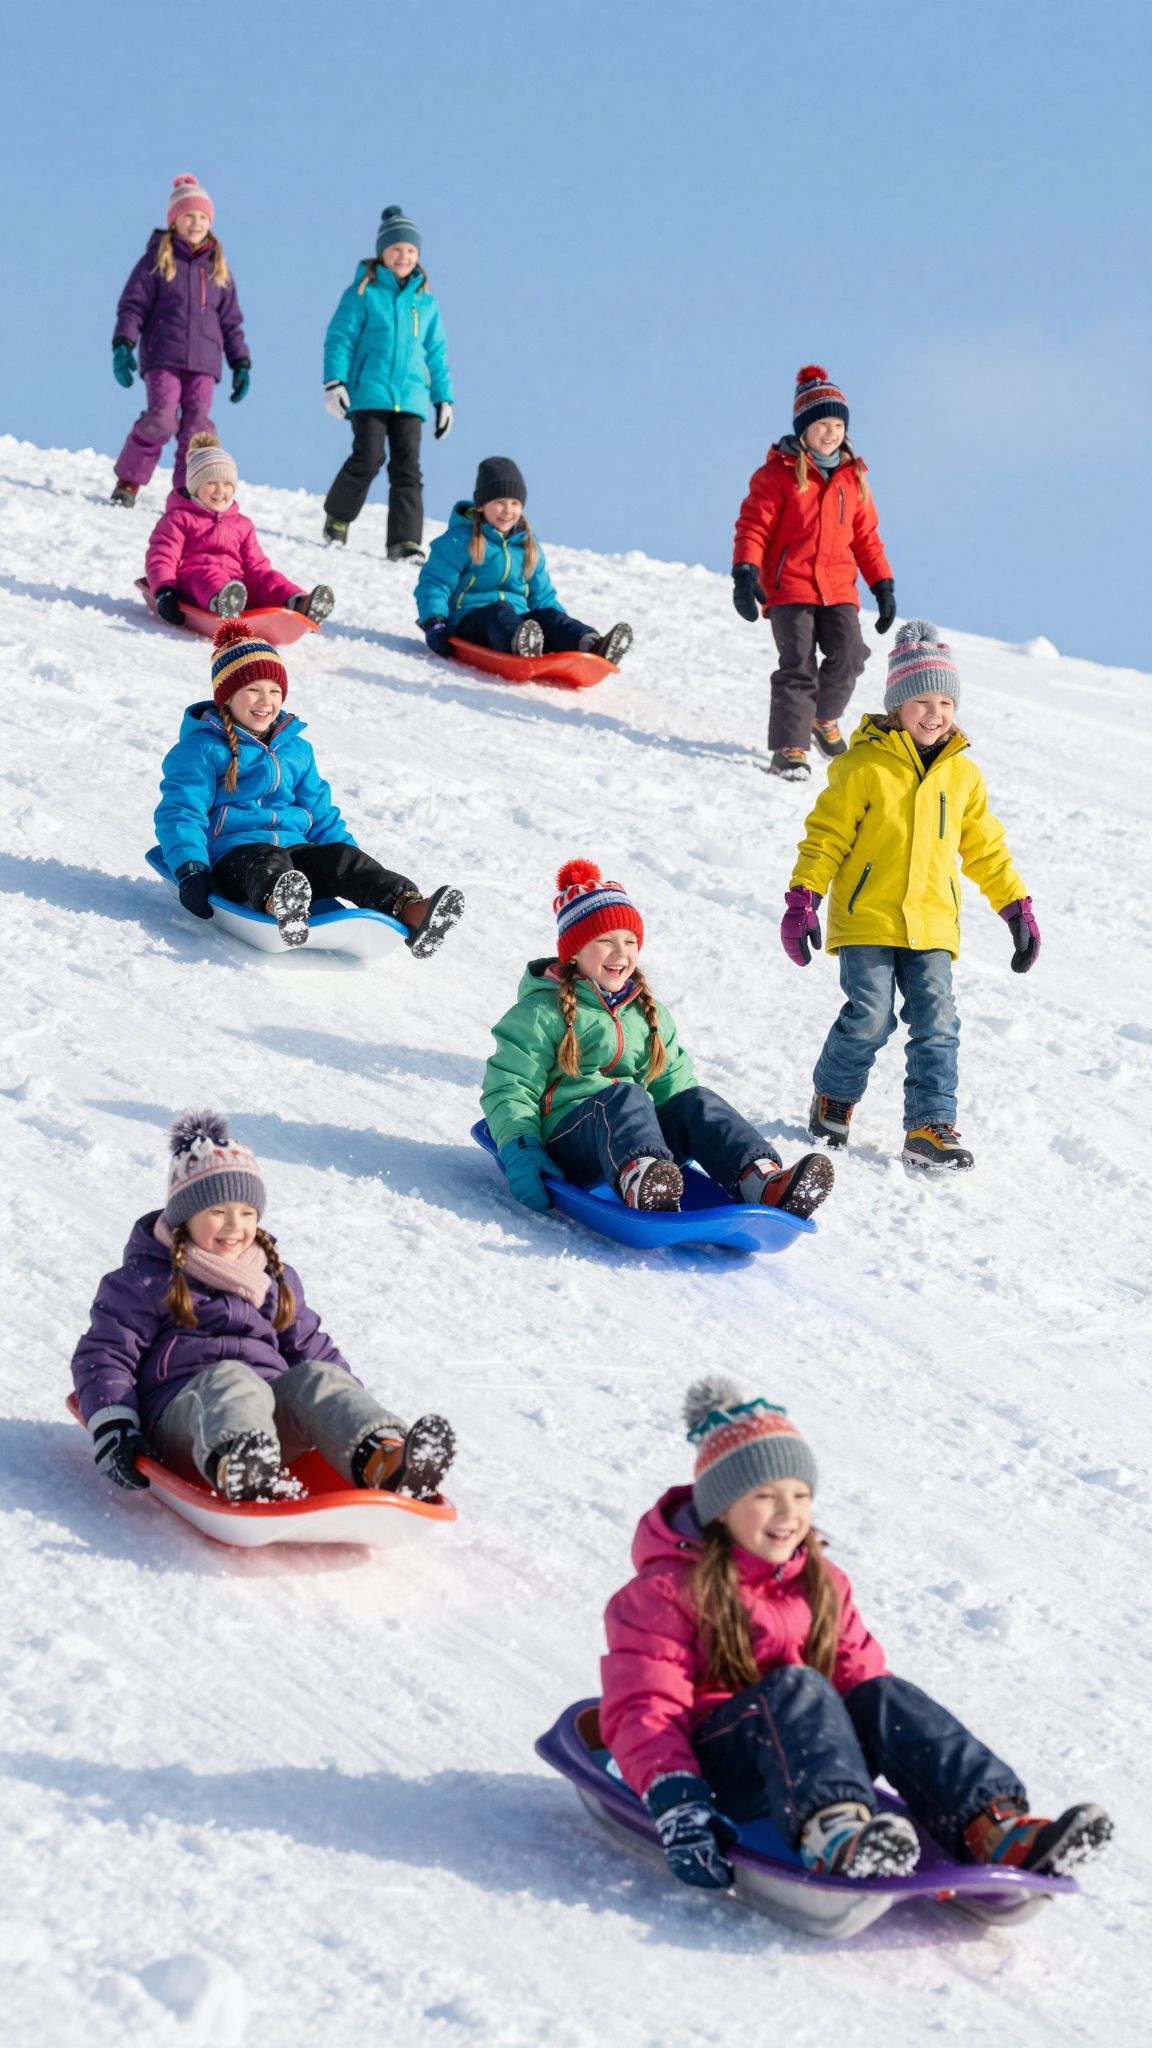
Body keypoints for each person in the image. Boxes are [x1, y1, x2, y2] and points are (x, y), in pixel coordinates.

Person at [600, 1377, 1113, 1889]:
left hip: (810, 1761)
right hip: (722, 1772)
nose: (788, 1514)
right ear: (721, 1508)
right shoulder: (664, 1592)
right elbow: (644, 1706)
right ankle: (836, 1836)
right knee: (798, 1686)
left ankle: (995, 1827)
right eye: (765, 1496)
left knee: (883, 1695)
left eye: (801, 1495)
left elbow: (861, 1683)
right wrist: (678, 1803)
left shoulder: (822, 1581)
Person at [71, 1112, 457, 1504]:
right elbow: (104, 1354)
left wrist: (346, 1414)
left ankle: (387, 1460)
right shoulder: (146, 1279)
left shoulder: (274, 1278)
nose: (234, 1226)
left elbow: (314, 1350)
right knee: (230, 1378)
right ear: (184, 1217)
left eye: (247, 1213)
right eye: (217, 1212)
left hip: (268, 1432)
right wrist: (114, 1424)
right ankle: (239, 1464)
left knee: (318, 1376)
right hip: (186, 1423)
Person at [781, 620, 1039, 1170]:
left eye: (945, 700)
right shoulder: (862, 767)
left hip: (933, 924)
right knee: (871, 1017)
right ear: (897, 705)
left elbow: (986, 848)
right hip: (867, 918)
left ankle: (929, 1126)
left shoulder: (962, 776)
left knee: (938, 1023)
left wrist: (1015, 906)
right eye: (921, 699)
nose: (935, 712)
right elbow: (825, 838)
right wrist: (803, 898)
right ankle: (834, 1097)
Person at [480, 859, 832, 1217]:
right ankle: (643, 1181)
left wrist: (695, 1124)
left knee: (697, 1100)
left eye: (630, 941)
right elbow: (510, 1084)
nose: (621, 953)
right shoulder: (541, 1012)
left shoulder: (648, 1013)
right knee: (625, 1095)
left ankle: (762, 1182)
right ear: (574, 951)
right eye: (605, 941)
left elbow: (672, 1087)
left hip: (637, 1140)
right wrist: (520, 1147)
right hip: (567, 1144)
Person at [155, 620, 464, 956]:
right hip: (232, 858)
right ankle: (281, 904)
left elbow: (322, 815)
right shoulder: (201, 749)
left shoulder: (296, 749)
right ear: (227, 697)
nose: (265, 701)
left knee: (342, 858)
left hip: (295, 855)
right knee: (265, 859)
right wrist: (191, 869)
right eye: (253, 690)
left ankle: (411, 910)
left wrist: (350, 862)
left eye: (274, 691)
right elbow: (182, 812)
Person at [731, 365, 895, 780]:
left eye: (838, 424)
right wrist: (745, 573)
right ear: (804, 429)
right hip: (790, 589)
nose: (831, 432)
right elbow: (754, 526)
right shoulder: (777, 476)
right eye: (822, 423)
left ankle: (823, 719)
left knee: (850, 655)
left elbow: (867, 539)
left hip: (838, 588)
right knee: (798, 665)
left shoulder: (852, 479)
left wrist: (882, 585)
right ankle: (789, 749)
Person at [321, 205, 453, 561]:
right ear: (382, 252)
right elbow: (340, 337)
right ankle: (338, 515)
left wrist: (444, 400)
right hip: (369, 393)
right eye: (396, 249)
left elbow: (436, 353)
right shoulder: (363, 292)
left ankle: (404, 542)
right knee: (370, 456)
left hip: (411, 397)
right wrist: (334, 382)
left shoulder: (425, 302)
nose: (404, 256)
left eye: (411, 251)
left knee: (408, 467)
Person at [110, 175, 250, 509]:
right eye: (188, 215)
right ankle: (129, 481)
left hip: (205, 362)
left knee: (198, 427)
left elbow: (231, 321)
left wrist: (241, 362)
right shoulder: (157, 260)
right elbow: (133, 306)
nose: (196, 222)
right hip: (163, 355)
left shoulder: (218, 269)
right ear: (174, 220)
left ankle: (187, 493)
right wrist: (123, 344)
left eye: (203, 217)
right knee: (161, 418)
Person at [415, 457, 632, 665]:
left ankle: (592, 645)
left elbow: (543, 596)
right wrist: (434, 622)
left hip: (521, 624)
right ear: (481, 505)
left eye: (515, 503)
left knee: (548, 616)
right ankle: (519, 644)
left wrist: (557, 627)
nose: (508, 511)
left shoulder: (528, 546)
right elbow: (435, 583)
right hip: (469, 620)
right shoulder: (459, 540)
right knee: (499, 612)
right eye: (499, 503)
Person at [144, 434, 333, 625]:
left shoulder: (242, 524)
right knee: (208, 576)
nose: (220, 491)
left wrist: (264, 580)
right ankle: (221, 603)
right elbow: (162, 557)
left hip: (237, 586)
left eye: (227, 484)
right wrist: (164, 592)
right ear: (195, 486)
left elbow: (257, 565)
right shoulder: (178, 519)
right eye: (211, 483)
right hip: (195, 580)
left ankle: (299, 603)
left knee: (266, 577)